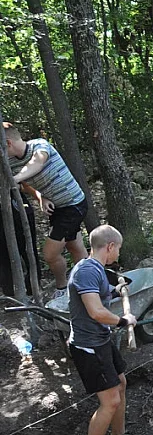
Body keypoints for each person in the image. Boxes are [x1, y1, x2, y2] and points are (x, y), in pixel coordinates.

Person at [67, 225, 149, 435]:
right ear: (110, 246)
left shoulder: (97, 268)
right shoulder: (86, 272)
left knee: (121, 384)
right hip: (88, 346)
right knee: (110, 400)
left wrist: (115, 290)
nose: (118, 254)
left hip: (101, 339)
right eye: (118, 248)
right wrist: (124, 321)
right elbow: (95, 311)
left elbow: (100, 296)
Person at [3, 123, 88, 301]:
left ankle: (63, 287)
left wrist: (14, 178)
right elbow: (25, 185)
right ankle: (89, 284)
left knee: (50, 254)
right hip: (57, 209)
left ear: (8, 143)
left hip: (73, 204)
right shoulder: (11, 162)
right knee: (75, 246)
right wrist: (41, 198)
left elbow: (37, 164)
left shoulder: (40, 145)